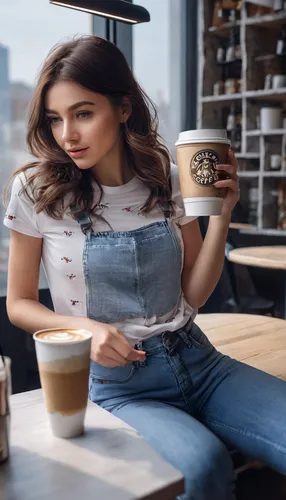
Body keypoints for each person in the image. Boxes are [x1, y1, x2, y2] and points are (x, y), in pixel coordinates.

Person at [3, 36, 286, 500]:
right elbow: (19, 304)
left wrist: (222, 215)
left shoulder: (166, 180)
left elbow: (192, 295)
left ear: (123, 108)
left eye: (83, 113)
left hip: (199, 360)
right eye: (55, 119)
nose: (67, 135)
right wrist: (84, 330)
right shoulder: (37, 193)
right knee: (205, 469)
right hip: (119, 385)